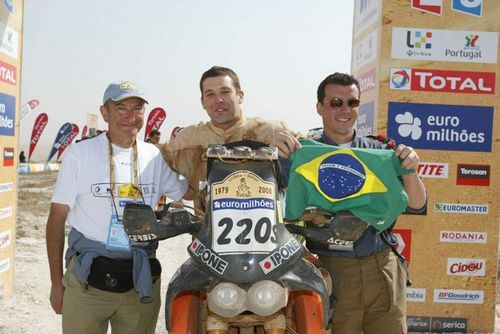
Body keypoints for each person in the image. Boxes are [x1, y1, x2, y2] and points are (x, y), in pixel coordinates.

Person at [272, 72, 427, 334]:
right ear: (319, 107)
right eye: (335, 102)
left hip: (382, 268)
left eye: (352, 103)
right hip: (330, 272)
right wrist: (275, 153)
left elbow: (417, 205)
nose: (344, 110)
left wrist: (410, 169)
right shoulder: (300, 153)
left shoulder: (380, 152)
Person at [46, 81, 188, 334]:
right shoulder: (80, 154)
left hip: (139, 283)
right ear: (105, 112)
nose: (130, 116)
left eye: (137, 108)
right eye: (121, 108)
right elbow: (56, 219)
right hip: (88, 282)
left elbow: (185, 191)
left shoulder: (154, 156)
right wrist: (56, 283)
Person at [161, 65, 300, 212]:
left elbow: (317, 157)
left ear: (240, 95)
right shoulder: (187, 141)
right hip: (206, 233)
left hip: (269, 232)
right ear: (202, 102)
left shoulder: (271, 132)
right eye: (210, 94)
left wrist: (289, 152)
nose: (218, 100)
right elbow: (152, 160)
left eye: (225, 92)